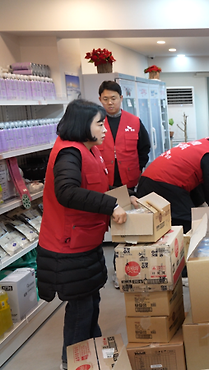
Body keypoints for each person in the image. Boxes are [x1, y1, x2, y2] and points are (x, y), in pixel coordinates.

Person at [36, 99, 131, 370]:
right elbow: (67, 192)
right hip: (67, 245)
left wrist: (126, 198)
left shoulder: (90, 150)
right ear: (82, 125)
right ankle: (74, 361)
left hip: (84, 240)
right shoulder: (70, 153)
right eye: (99, 124)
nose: (105, 129)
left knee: (91, 299)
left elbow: (97, 187)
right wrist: (111, 206)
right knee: (81, 307)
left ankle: (92, 352)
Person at [136, 134, 209, 233]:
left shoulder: (201, 145)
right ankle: (182, 252)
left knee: (164, 221)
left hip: (148, 180)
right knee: (187, 222)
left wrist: (201, 205)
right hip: (164, 183)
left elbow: (196, 182)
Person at [96, 80, 151, 189]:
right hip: (104, 178)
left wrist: (139, 167)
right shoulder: (95, 123)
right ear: (100, 100)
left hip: (130, 178)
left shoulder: (134, 121)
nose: (110, 103)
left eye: (113, 98)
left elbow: (144, 148)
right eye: (105, 99)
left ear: (121, 98)